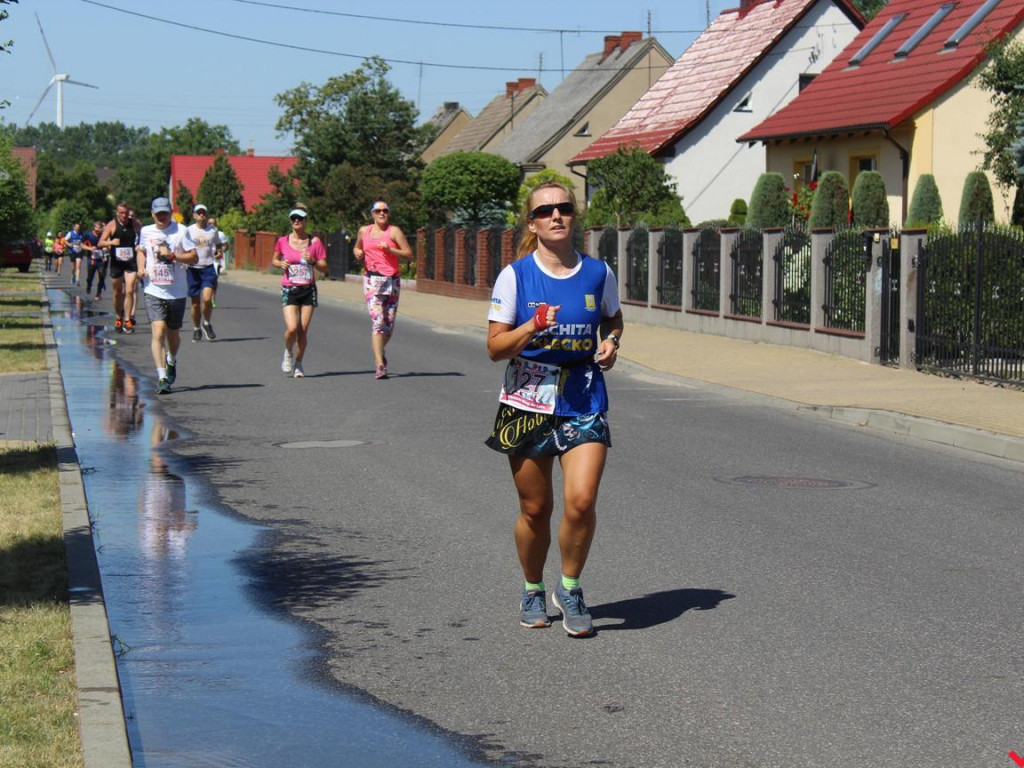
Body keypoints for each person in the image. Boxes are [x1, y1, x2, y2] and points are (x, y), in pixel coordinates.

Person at [485, 181, 624, 638]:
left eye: (563, 207)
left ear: (574, 215)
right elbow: (495, 348)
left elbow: (613, 316)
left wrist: (611, 340)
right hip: (527, 399)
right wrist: (531, 325)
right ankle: (532, 588)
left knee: (581, 501)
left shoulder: (599, 272)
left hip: (583, 395)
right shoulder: (515, 276)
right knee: (535, 508)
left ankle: (570, 588)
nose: (556, 216)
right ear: (532, 224)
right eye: (545, 211)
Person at [136, 197, 199, 394]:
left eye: (165, 213)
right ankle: (162, 376)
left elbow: (194, 257)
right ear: (152, 214)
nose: (161, 217)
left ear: (171, 213)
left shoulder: (181, 231)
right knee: (158, 331)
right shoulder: (146, 231)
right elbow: (141, 251)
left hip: (176, 291)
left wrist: (173, 256)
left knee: (173, 334)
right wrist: (140, 268)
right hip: (153, 289)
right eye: (158, 214)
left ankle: (171, 359)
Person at [352, 201, 413, 379]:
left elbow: (408, 254)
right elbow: (357, 247)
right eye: (378, 211)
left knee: (389, 324)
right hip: (372, 281)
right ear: (372, 213)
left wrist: (391, 249)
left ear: (388, 213)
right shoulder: (364, 231)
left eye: (385, 210)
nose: (382, 213)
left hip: (391, 281)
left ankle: (379, 350)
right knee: (378, 322)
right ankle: (380, 365)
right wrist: (357, 252)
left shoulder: (394, 231)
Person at [271, 206, 328, 378]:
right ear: (290, 221)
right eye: (293, 218)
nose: (296, 220)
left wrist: (313, 261)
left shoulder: (315, 242)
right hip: (290, 288)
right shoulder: (283, 241)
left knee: (302, 330)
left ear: (305, 221)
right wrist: (280, 263)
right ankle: (288, 351)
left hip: (308, 289)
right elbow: (274, 259)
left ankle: (299, 363)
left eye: (300, 218)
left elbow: (325, 268)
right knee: (292, 328)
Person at [99, 202, 141, 334]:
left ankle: (127, 320)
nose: (124, 215)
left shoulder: (134, 223)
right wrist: (111, 242)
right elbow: (100, 242)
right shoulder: (112, 225)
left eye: (126, 213)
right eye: (121, 213)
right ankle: (118, 318)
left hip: (130, 262)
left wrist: (140, 246)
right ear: (117, 213)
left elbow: (143, 236)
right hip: (117, 263)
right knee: (117, 292)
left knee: (130, 290)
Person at [186, 203, 221, 342]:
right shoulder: (188, 230)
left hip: (208, 267)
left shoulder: (212, 230)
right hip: (193, 269)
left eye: (203, 213)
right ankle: (196, 328)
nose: (201, 215)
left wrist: (218, 252)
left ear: (206, 215)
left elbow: (218, 244)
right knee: (195, 303)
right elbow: (182, 246)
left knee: (207, 299)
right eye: (199, 213)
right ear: (194, 215)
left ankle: (206, 323)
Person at [82, 220, 108, 300]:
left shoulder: (103, 235)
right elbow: (81, 245)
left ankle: (98, 293)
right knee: (90, 276)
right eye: (96, 230)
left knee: (102, 275)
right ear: (94, 228)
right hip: (91, 258)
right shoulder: (88, 235)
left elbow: (108, 245)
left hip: (101, 259)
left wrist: (106, 248)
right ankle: (89, 285)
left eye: (99, 231)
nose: (98, 232)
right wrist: (89, 248)